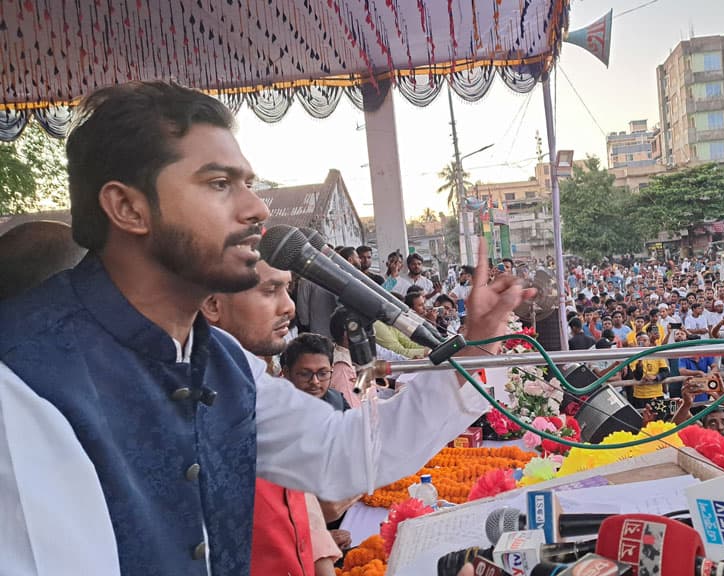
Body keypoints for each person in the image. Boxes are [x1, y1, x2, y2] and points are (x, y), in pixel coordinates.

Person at [0, 81, 532, 575]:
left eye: (248, 184)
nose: (257, 209)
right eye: (218, 184)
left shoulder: (224, 361)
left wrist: (474, 346)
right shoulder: (23, 374)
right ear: (127, 208)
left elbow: (341, 455)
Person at [200, 260, 344, 576]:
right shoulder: (190, 413)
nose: (290, 307)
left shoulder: (270, 395)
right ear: (213, 304)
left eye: (287, 289)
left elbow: (307, 515)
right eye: (270, 291)